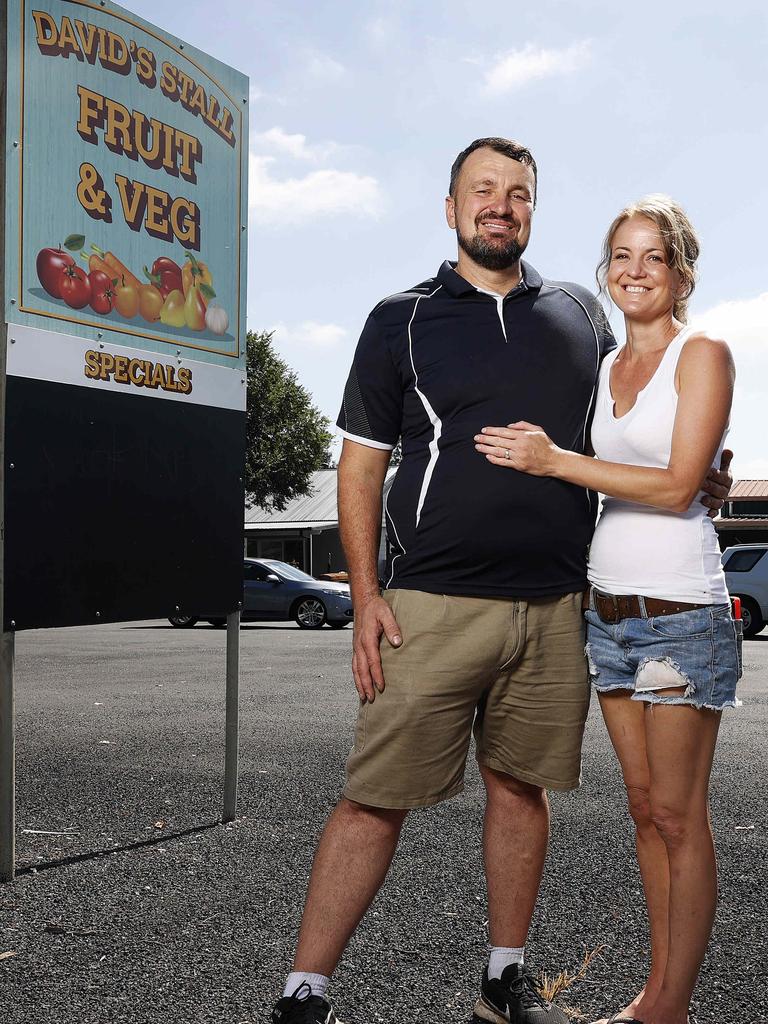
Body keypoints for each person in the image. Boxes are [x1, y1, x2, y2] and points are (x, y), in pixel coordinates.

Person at [269, 141, 732, 1024]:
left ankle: (503, 979)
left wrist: (704, 472)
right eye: (482, 191)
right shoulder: (398, 319)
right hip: (432, 605)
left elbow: (637, 429)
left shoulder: (579, 315)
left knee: (520, 790)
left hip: (560, 607)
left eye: (518, 194)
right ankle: (305, 991)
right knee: (375, 796)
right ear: (450, 208)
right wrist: (366, 597)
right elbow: (360, 467)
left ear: (533, 211)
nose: (500, 206)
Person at [474, 195, 739, 1024]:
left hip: (679, 612)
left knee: (676, 814)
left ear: (681, 272)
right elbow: (661, 478)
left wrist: (557, 463)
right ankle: (660, 996)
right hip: (610, 615)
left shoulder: (704, 353)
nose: (633, 269)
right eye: (620, 254)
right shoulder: (604, 368)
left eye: (652, 256)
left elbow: (671, 486)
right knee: (640, 809)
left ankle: (670, 1007)